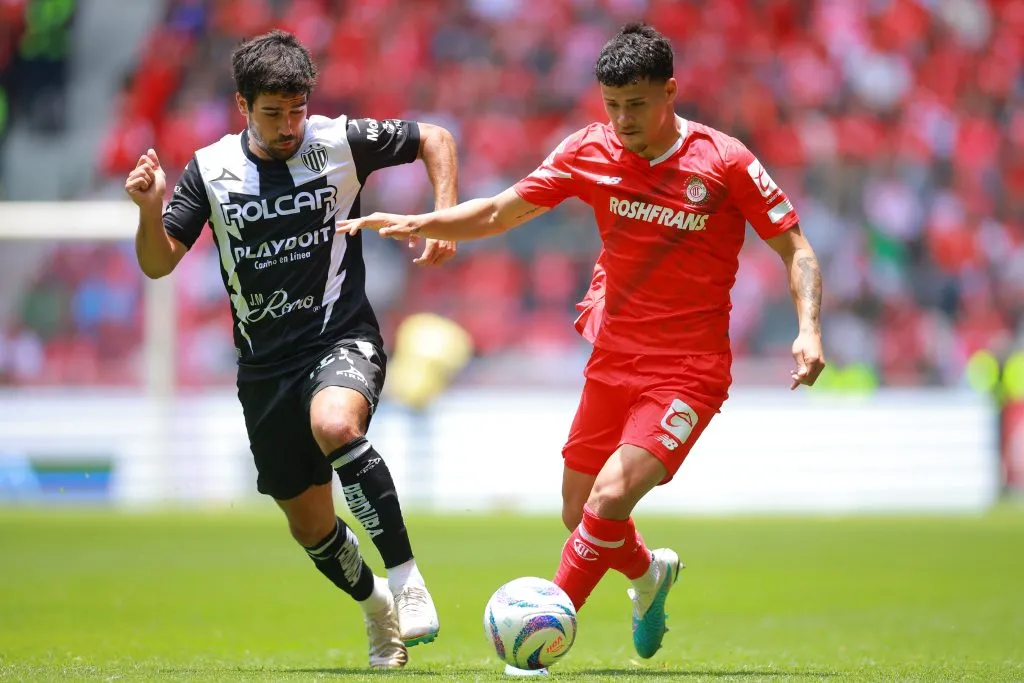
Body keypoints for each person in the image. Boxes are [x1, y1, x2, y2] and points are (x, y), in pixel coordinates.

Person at [340, 22, 825, 668]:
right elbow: (500, 211)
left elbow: (797, 248)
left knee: (608, 498)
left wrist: (809, 327)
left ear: (670, 92)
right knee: (579, 510)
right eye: (613, 104)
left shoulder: (724, 160)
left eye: (638, 104)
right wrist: (423, 220)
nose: (623, 118)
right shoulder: (588, 151)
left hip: (688, 372)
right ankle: (649, 574)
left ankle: (535, 640)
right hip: (612, 360)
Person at [124, 29, 458, 669]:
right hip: (264, 369)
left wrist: (444, 218)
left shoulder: (338, 141)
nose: (289, 126)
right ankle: (376, 605)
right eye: (273, 113)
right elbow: (159, 263)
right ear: (242, 106)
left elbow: (435, 139)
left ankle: (409, 580)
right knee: (311, 528)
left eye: (297, 109)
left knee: (334, 422)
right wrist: (148, 209)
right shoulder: (210, 170)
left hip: (342, 334)